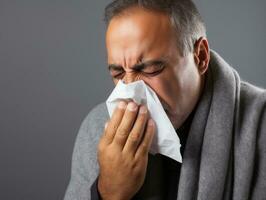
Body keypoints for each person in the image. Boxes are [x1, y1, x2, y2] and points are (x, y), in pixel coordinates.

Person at [64, 0, 266, 199]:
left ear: (201, 56)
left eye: (151, 69)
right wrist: (109, 192)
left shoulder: (260, 126)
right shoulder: (99, 127)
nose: (132, 93)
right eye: (118, 73)